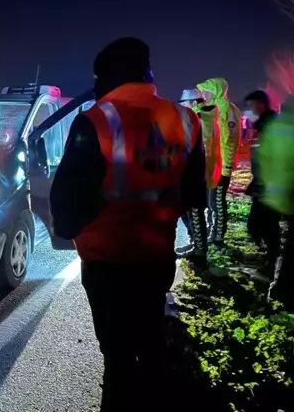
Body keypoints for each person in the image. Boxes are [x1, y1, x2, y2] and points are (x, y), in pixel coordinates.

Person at [49, 37, 206, 412]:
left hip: (107, 263)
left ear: (106, 76)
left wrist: (70, 231)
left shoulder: (96, 120)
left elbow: (67, 199)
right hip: (156, 257)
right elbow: (194, 194)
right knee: (150, 343)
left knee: (117, 357)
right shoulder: (186, 119)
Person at [176, 87, 222, 259]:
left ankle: (200, 252)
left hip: (196, 174)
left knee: (195, 213)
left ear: (194, 103)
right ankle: (196, 245)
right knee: (189, 211)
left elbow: (200, 150)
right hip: (198, 172)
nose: (182, 107)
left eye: (184, 103)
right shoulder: (205, 118)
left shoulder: (201, 120)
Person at [196, 78, 243, 245]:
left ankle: (218, 236)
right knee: (210, 202)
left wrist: (227, 167)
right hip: (214, 165)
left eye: (207, 91)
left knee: (217, 203)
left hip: (222, 167)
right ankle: (212, 232)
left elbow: (231, 140)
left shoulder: (228, 111)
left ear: (216, 91)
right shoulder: (215, 109)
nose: (204, 94)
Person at [257, 96, 294, 307]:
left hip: (279, 195)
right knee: (288, 244)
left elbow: (264, 157)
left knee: (286, 243)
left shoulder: (275, 127)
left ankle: (279, 290)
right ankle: (280, 290)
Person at [243, 90, 280, 267]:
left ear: (261, 104)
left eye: (251, 105)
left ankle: (273, 257)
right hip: (263, 182)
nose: (249, 110)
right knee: (259, 223)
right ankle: (270, 255)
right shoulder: (262, 125)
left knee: (265, 223)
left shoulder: (271, 125)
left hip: (271, 183)